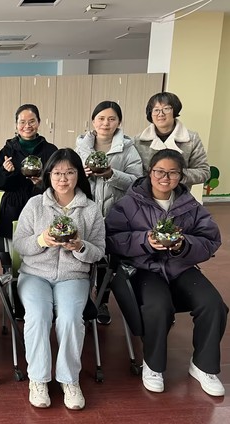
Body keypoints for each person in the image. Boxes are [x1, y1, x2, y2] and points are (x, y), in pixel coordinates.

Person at [105, 149, 228, 397]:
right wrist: (145, 241)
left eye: (172, 173)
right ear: (149, 172)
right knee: (158, 306)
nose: (165, 177)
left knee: (213, 304)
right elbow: (111, 239)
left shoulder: (190, 206)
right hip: (145, 268)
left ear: (181, 176)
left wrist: (184, 245)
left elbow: (211, 239)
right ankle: (153, 365)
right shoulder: (129, 203)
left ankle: (203, 366)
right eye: (159, 171)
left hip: (180, 266)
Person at [13, 148, 105, 411]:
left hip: (73, 276)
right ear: (48, 175)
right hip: (34, 275)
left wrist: (80, 247)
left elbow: (99, 250)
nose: (63, 179)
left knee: (69, 318)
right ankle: (38, 379)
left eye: (69, 172)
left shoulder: (90, 209)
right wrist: (41, 240)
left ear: (78, 175)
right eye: (57, 173)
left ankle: (69, 379)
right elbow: (19, 244)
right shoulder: (35, 205)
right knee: (37, 315)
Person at [74, 100, 142, 325]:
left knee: (107, 260)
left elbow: (137, 182)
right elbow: (66, 178)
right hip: (85, 213)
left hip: (115, 213)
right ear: (93, 121)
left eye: (111, 119)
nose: (106, 123)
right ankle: (82, 300)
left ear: (119, 122)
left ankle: (102, 300)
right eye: (101, 118)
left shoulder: (128, 148)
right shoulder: (81, 147)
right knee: (83, 255)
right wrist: (81, 175)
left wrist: (111, 174)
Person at [0, 104, 57, 244]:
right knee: (14, 249)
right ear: (16, 125)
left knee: (42, 244)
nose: (27, 126)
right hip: (13, 206)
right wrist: (5, 172)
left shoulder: (51, 150)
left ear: (39, 122)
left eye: (31, 121)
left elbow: (59, 181)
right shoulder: (8, 150)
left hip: (42, 205)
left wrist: (42, 183)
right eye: (22, 122)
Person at [134, 92, 210, 187]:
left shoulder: (192, 138)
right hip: (146, 192)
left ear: (175, 111)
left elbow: (204, 172)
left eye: (166, 109)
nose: (160, 114)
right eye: (156, 110)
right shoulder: (138, 141)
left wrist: (176, 174)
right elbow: (134, 173)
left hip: (179, 193)